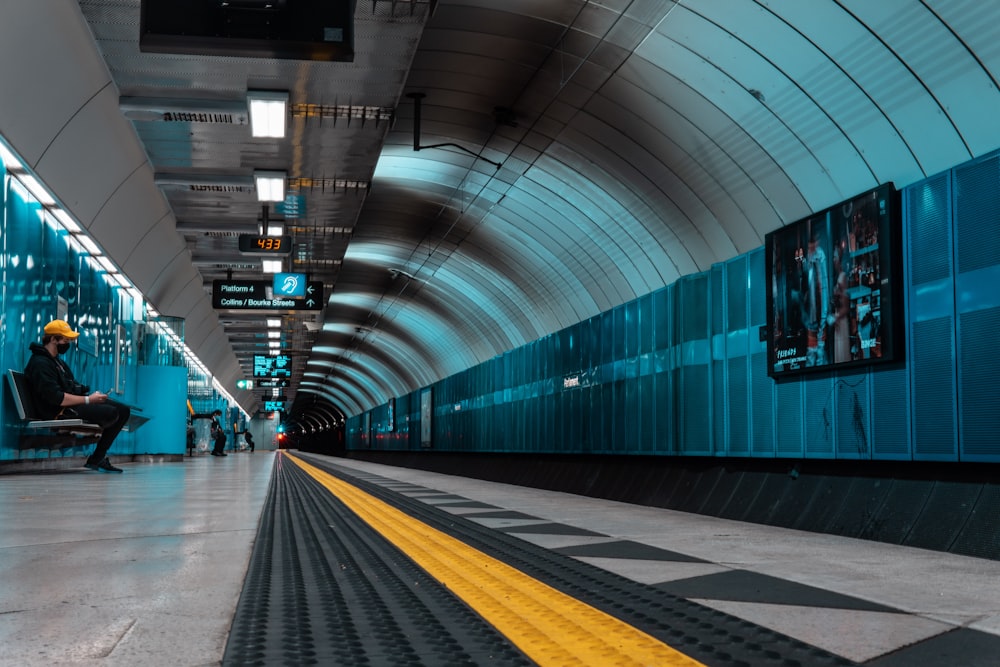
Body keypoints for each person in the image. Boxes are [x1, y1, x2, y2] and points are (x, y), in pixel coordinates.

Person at [24, 319, 131, 473]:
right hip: (57, 411)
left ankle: (97, 458)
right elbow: (57, 398)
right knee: (111, 413)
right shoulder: (40, 363)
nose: (68, 344)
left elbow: (71, 385)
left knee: (123, 410)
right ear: (53, 339)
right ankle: (97, 457)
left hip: (70, 405)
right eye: (65, 340)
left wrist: (91, 394)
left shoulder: (57, 362)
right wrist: (88, 400)